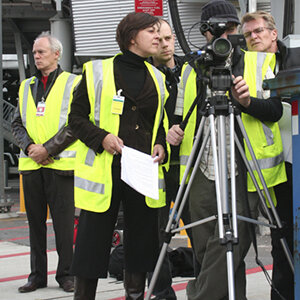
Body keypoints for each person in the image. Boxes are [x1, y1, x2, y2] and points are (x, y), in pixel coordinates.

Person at [167, 1, 284, 299]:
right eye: (218, 28)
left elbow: (274, 111)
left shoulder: (260, 63)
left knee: (235, 240)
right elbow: (179, 114)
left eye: (232, 28)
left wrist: (246, 102)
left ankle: (200, 294)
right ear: (205, 30)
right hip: (202, 164)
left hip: (243, 165)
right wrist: (173, 128)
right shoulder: (191, 69)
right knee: (207, 243)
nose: (226, 34)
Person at [68, 12, 169, 300]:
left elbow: (158, 123)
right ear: (132, 36)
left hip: (141, 169)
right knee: (91, 244)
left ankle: (135, 295)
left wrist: (161, 143)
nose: (159, 38)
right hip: (104, 169)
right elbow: (75, 119)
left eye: (161, 34)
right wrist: (102, 137)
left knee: (140, 244)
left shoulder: (158, 78)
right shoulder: (96, 70)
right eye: (152, 32)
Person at [11, 32, 81, 293]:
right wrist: (30, 148)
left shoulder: (74, 83)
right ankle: (37, 275)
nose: (36, 56)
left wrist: (48, 149)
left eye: (41, 51)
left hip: (60, 164)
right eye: (34, 52)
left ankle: (66, 275)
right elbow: (17, 123)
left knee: (63, 226)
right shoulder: (26, 84)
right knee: (35, 224)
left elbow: (76, 124)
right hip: (32, 166)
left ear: (57, 54)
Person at [241, 10, 300, 300]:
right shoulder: (243, 64)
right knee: (284, 236)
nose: (253, 37)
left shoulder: (296, 58)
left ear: (273, 34)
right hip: (277, 166)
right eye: (248, 34)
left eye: (258, 31)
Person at [147, 19, 197, 300]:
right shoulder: (146, 75)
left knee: (199, 230)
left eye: (168, 38)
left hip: (189, 162)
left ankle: (204, 287)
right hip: (157, 164)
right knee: (156, 234)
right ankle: (162, 291)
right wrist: (161, 137)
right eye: (159, 40)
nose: (165, 44)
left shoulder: (189, 70)